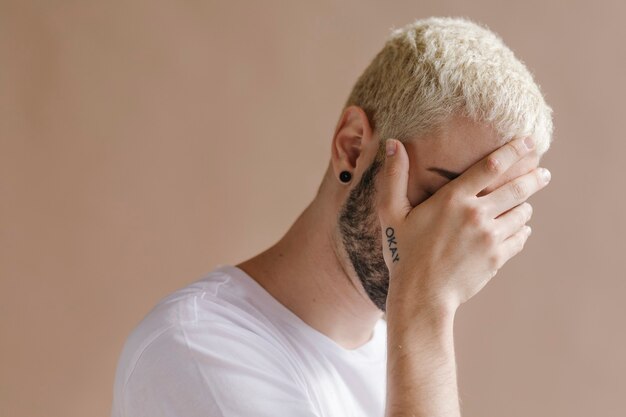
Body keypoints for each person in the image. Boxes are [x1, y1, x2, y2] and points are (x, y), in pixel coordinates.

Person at [111, 16, 553, 417]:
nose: (452, 239)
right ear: (353, 146)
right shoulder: (196, 349)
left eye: (483, 216)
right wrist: (425, 306)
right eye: (439, 195)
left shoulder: (403, 360)